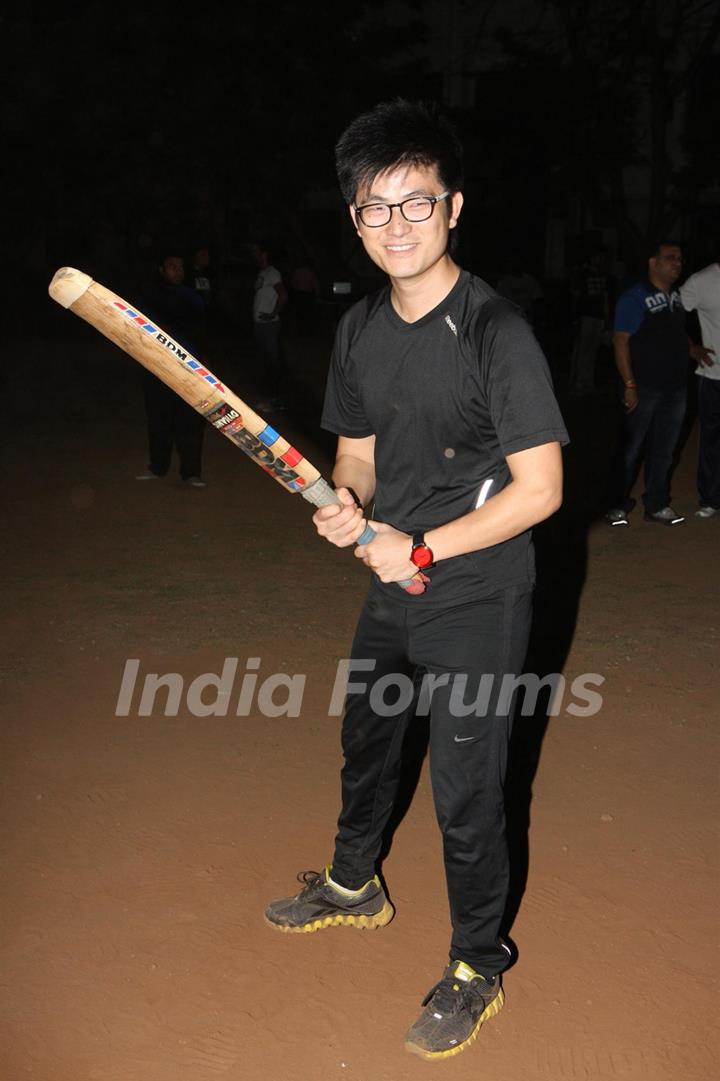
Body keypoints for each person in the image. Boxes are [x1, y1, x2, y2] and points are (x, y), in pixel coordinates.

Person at [264, 99, 568, 1061]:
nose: (395, 225)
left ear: (454, 208)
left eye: (415, 203)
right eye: (374, 208)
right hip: (392, 575)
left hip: (477, 589)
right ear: (354, 221)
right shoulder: (358, 329)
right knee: (368, 737)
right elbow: (354, 453)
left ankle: (478, 961)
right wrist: (344, 504)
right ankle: (356, 882)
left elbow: (543, 491)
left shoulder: (495, 331)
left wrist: (424, 548)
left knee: (468, 791)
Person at [604, 241, 711, 526]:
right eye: (670, 258)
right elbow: (620, 340)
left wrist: (693, 349)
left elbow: (674, 332)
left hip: (674, 389)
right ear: (653, 263)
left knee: (664, 449)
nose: (678, 263)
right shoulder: (635, 297)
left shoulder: (674, 297)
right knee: (630, 449)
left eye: (680, 259)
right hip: (644, 387)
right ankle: (616, 505)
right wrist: (629, 384)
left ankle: (657, 504)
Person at [135, 252, 207, 487]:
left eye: (180, 267)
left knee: (190, 421)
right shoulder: (149, 296)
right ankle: (157, 467)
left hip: (189, 368)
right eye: (172, 266)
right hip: (156, 366)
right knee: (158, 418)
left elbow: (202, 324)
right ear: (161, 270)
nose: (178, 271)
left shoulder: (193, 296)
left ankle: (191, 472)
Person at [679, 261, 720, 517]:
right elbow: (668, 315)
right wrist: (690, 346)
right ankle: (711, 498)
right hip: (714, 374)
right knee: (711, 439)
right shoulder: (702, 280)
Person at [567, 249, 609, 396]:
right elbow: (576, 296)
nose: (600, 260)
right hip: (586, 316)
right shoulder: (583, 274)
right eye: (598, 257)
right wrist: (575, 316)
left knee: (593, 350)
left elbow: (605, 297)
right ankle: (578, 381)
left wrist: (606, 316)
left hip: (598, 317)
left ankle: (588, 380)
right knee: (583, 349)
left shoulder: (603, 275)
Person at [252, 242, 287, 409]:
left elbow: (283, 295)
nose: (255, 256)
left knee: (272, 361)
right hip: (260, 324)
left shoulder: (273, 273)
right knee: (263, 361)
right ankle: (269, 398)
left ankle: (275, 399)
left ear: (264, 254)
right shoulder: (262, 273)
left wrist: (272, 314)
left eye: (257, 252)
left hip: (269, 325)